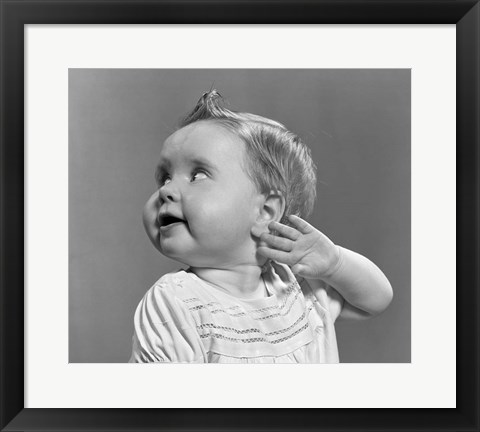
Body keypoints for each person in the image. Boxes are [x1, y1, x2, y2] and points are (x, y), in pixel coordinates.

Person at [129, 90, 393, 363]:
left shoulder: (296, 288)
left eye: (197, 175)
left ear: (265, 212)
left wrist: (335, 264)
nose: (167, 190)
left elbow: (375, 299)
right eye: (164, 177)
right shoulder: (176, 301)